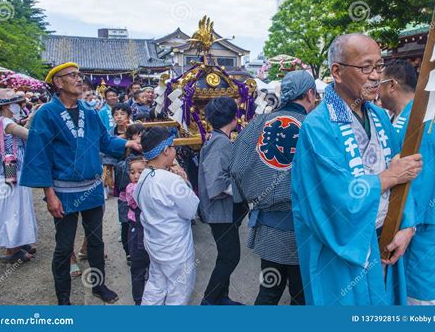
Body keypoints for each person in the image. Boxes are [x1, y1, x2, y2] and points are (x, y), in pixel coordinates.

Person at [291, 34, 423, 305]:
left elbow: (402, 173)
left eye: (379, 66)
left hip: (383, 239)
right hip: (343, 248)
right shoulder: (318, 126)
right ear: (337, 72)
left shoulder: (378, 116)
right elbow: (334, 196)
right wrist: (388, 177)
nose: (376, 76)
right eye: (366, 68)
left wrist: (406, 225)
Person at [20, 62, 141, 305]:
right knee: (64, 247)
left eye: (79, 75)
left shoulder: (89, 110)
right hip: (63, 192)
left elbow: (105, 142)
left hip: (92, 189)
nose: (79, 79)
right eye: (72, 76)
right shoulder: (46, 114)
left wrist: (128, 144)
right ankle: (63, 299)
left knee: (96, 241)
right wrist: (49, 195)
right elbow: (40, 155)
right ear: (58, 82)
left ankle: (99, 286)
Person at [231, 70, 317, 305]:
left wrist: (250, 199)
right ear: (310, 94)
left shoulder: (260, 122)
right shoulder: (314, 126)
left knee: (269, 291)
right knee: (302, 296)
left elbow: (236, 167)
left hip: (269, 225)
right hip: (305, 228)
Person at [379, 59, 435, 305]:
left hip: (419, 223)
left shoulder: (416, 125)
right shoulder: (416, 118)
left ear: (391, 85)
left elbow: (421, 183)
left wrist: (408, 226)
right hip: (420, 219)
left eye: (379, 83)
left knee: (417, 298)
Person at [134, 127, 199, 305]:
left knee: (156, 283)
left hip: (155, 244)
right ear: (165, 150)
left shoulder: (144, 177)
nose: (174, 151)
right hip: (175, 248)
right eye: (172, 147)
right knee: (178, 291)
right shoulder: (172, 180)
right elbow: (192, 210)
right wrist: (185, 180)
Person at [198, 97, 246, 305]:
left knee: (225, 255)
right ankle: (209, 300)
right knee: (230, 256)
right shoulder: (221, 142)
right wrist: (246, 189)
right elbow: (217, 183)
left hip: (225, 211)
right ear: (234, 118)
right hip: (221, 212)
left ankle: (221, 297)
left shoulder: (218, 139)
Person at [0, 88, 37, 263]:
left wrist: (30, 118)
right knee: (13, 210)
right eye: (17, 103)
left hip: (11, 170)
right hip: (12, 171)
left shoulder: (3, 121)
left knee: (15, 209)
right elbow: (29, 135)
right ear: (7, 105)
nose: (19, 105)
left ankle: (18, 244)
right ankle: (12, 249)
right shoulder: (6, 122)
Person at [114, 123, 145, 265]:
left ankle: (137, 251)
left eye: (143, 135)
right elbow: (122, 184)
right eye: (138, 135)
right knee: (127, 225)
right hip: (126, 200)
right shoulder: (128, 160)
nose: (141, 138)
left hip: (138, 201)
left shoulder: (146, 156)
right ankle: (128, 253)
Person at [125, 155, 150, 305]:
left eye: (140, 172)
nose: (135, 176)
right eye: (132, 172)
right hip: (136, 232)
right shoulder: (131, 188)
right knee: (138, 268)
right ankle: (138, 301)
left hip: (149, 232)